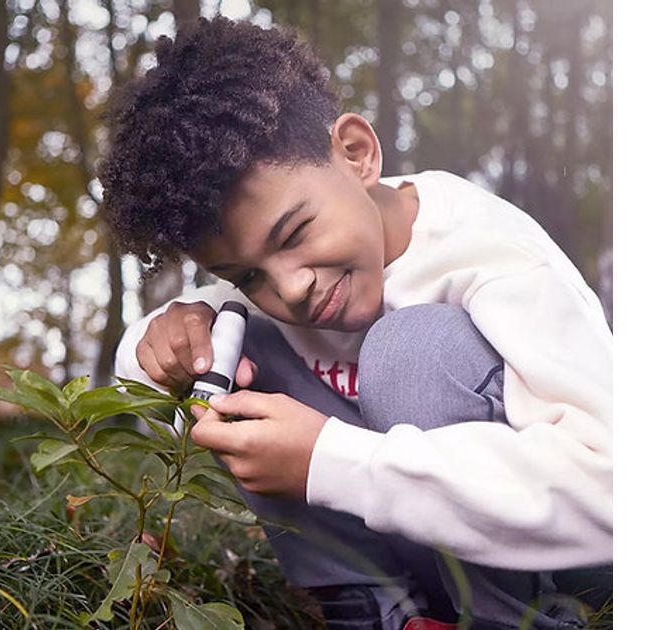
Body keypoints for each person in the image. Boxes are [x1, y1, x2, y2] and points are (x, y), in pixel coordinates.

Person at [101, 16, 612, 630]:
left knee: (411, 353)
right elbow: (162, 366)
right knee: (230, 350)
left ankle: (512, 619)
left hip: (560, 556)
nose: (291, 288)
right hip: (422, 549)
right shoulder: (270, 293)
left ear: (356, 154)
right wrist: (162, 342)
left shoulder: (496, 260)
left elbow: (613, 490)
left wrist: (333, 462)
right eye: (248, 275)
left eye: (294, 233)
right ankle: (378, 612)